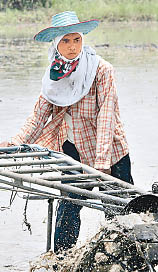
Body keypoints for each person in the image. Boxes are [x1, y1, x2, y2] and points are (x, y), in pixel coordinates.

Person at [0, 11, 133, 253]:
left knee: (119, 210)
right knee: (69, 207)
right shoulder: (55, 75)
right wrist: (13, 143)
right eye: (65, 41)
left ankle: (126, 260)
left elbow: (106, 117)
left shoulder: (101, 70)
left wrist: (102, 162)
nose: (72, 47)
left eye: (76, 40)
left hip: (110, 152)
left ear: (83, 40)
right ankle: (62, 261)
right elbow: (39, 116)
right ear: (56, 44)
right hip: (73, 149)